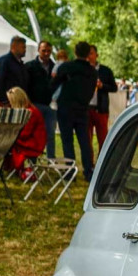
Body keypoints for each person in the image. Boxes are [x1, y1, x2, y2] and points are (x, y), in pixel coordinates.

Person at [51, 41, 98, 181]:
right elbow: (91, 90)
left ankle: (70, 171)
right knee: (84, 140)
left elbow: (54, 84)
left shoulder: (67, 67)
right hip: (83, 108)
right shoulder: (92, 72)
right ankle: (88, 170)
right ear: (88, 54)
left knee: (67, 140)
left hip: (66, 107)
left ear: (75, 52)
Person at [5, 87, 47, 179]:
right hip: (29, 141)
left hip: (32, 144)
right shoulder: (29, 110)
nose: (10, 105)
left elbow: (25, 134)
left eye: (11, 102)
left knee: (4, 144)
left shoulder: (31, 112)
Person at [25, 40, 57, 159]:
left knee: (50, 134)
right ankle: (32, 160)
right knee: (34, 134)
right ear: (38, 50)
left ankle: (51, 160)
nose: (46, 53)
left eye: (49, 51)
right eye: (44, 50)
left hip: (49, 105)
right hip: (34, 105)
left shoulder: (55, 68)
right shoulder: (30, 67)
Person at [86, 44, 118, 159]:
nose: (88, 56)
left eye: (91, 53)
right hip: (86, 109)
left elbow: (114, 88)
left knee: (103, 139)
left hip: (101, 109)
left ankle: (101, 163)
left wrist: (102, 86)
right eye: (87, 54)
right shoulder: (83, 69)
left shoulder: (105, 70)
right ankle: (89, 164)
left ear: (96, 55)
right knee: (86, 140)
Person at [0, 36, 30, 106]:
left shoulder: (21, 65)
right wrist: (4, 100)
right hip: (7, 102)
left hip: (19, 103)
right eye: (23, 47)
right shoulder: (4, 61)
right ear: (14, 47)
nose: (25, 50)